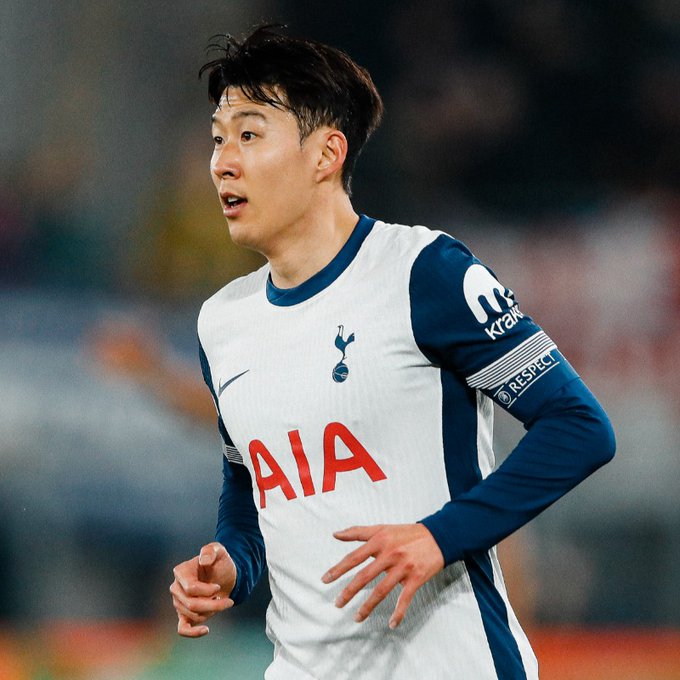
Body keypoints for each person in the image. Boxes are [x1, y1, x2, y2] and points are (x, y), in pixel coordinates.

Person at [169, 25, 615, 680]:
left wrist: (440, 536)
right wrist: (233, 562)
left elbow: (578, 427)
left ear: (326, 154)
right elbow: (250, 483)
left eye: (250, 135)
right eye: (218, 139)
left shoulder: (424, 273)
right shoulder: (222, 322)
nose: (222, 163)